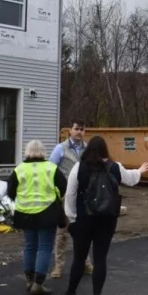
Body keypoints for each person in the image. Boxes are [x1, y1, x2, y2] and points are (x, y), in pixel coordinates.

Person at [55, 136, 148, 295]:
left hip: (84, 220)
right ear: (105, 150)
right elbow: (130, 178)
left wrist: (72, 218)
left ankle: (70, 294)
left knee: (79, 258)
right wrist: (140, 170)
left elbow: (70, 195)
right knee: (100, 258)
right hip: (107, 220)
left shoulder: (79, 167)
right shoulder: (114, 167)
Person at [7, 140, 68, 295]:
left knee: (29, 246)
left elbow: (10, 192)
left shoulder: (19, 169)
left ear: (27, 152)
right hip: (47, 212)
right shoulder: (51, 168)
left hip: (25, 213)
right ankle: (39, 283)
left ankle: (29, 279)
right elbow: (63, 187)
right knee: (45, 247)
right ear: (43, 152)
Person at [48, 120, 91, 279]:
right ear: (70, 131)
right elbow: (50, 170)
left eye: (82, 129)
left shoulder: (88, 149)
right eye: (77, 129)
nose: (79, 132)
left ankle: (86, 262)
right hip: (66, 195)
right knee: (63, 232)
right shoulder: (61, 148)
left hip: (84, 195)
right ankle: (58, 266)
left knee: (84, 231)